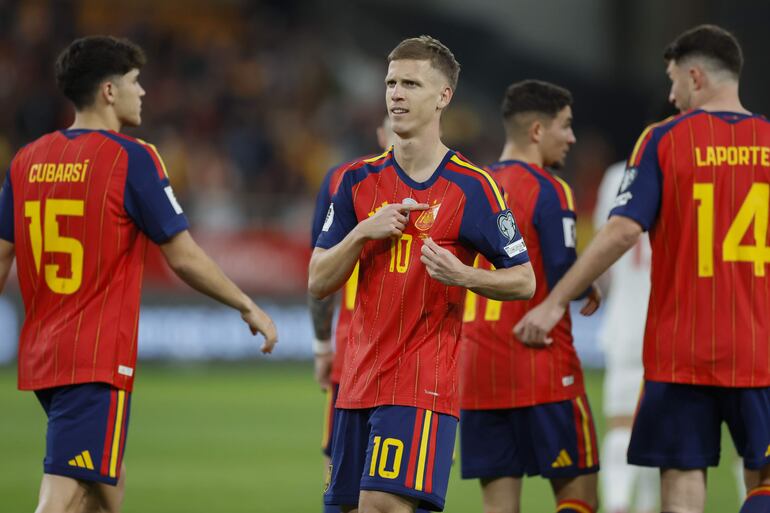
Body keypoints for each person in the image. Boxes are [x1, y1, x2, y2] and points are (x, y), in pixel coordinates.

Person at [0, 36, 277, 513]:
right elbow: (184, 256)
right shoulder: (132, 158)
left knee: (108, 484)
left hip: (43, 353)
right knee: (63, 492)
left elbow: (2, 255)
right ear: (109, 91)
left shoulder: (26, 160)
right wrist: (246, 304)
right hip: (95, 358)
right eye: (134, 81)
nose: (143, 91)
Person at [514, 24, 770, 513]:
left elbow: (622, 231)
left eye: (674, 81)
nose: (671, 95)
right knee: (762, 477)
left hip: (682, 348)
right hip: (759, 343)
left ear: (695, 77)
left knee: (681, 482)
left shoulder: (664, 140)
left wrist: (554, 301)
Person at [308, 35, 535, 513]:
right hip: (356, 384)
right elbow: (317, 280)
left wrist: (463, 275)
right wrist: (360, 235)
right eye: (391, 83)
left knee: (381, 506)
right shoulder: (356, 181)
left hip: (420, 385)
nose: (396, 94)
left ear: (444, 97)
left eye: (411, 83)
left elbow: (523, 280)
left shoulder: (473, 188)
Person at [459, 79, 601, 513]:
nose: (572, 137)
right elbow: (560, 269)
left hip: (478, 374)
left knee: (499, 506)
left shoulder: (469, 188)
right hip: (541, 365)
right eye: (566, 126)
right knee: (580, 497)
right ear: (538, 130)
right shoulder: (550, 189)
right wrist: (586, 281)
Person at [310, 118, 422, 513]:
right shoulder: (449, 185)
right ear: (379, 132)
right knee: (366, 493)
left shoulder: (344, 178)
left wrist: (322, 346)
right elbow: (320, 270)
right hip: (382, 361)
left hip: (368, 360)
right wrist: (324, 346)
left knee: (349, 491)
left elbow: (319, 270)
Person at [593, 160, 659, 513]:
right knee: (662, 425)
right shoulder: (686, 168)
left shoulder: (617, 176)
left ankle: (618, 504)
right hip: (671, 321)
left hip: (625, 320)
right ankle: (648, 506)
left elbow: (607, 245)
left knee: (621, 422)